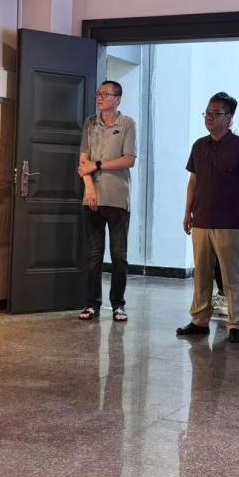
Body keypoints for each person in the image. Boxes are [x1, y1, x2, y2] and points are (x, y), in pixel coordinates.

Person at [177, 93, 239, 343]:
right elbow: (193, 181)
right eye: (207, 113)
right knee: (201, 273)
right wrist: (187, 211)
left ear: (229, 118)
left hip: (229, 221)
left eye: (216, 113)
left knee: (232, 275)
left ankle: (236, 323)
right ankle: (199, 320)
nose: (209, 117)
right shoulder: (199, 146)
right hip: (201, 219)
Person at [77, 80, 137, 322]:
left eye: (105, 94)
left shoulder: (127, 124)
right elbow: (84, 162)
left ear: (118, 99)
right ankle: (92, 304)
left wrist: (99, 165)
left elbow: (129, 160)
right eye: (98, 93)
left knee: (119, 255)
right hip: (92, 198)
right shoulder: (90, 123)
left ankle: (118, 305)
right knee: (93, 255)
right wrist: (90, 188)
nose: (100, 97)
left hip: (118, 198)